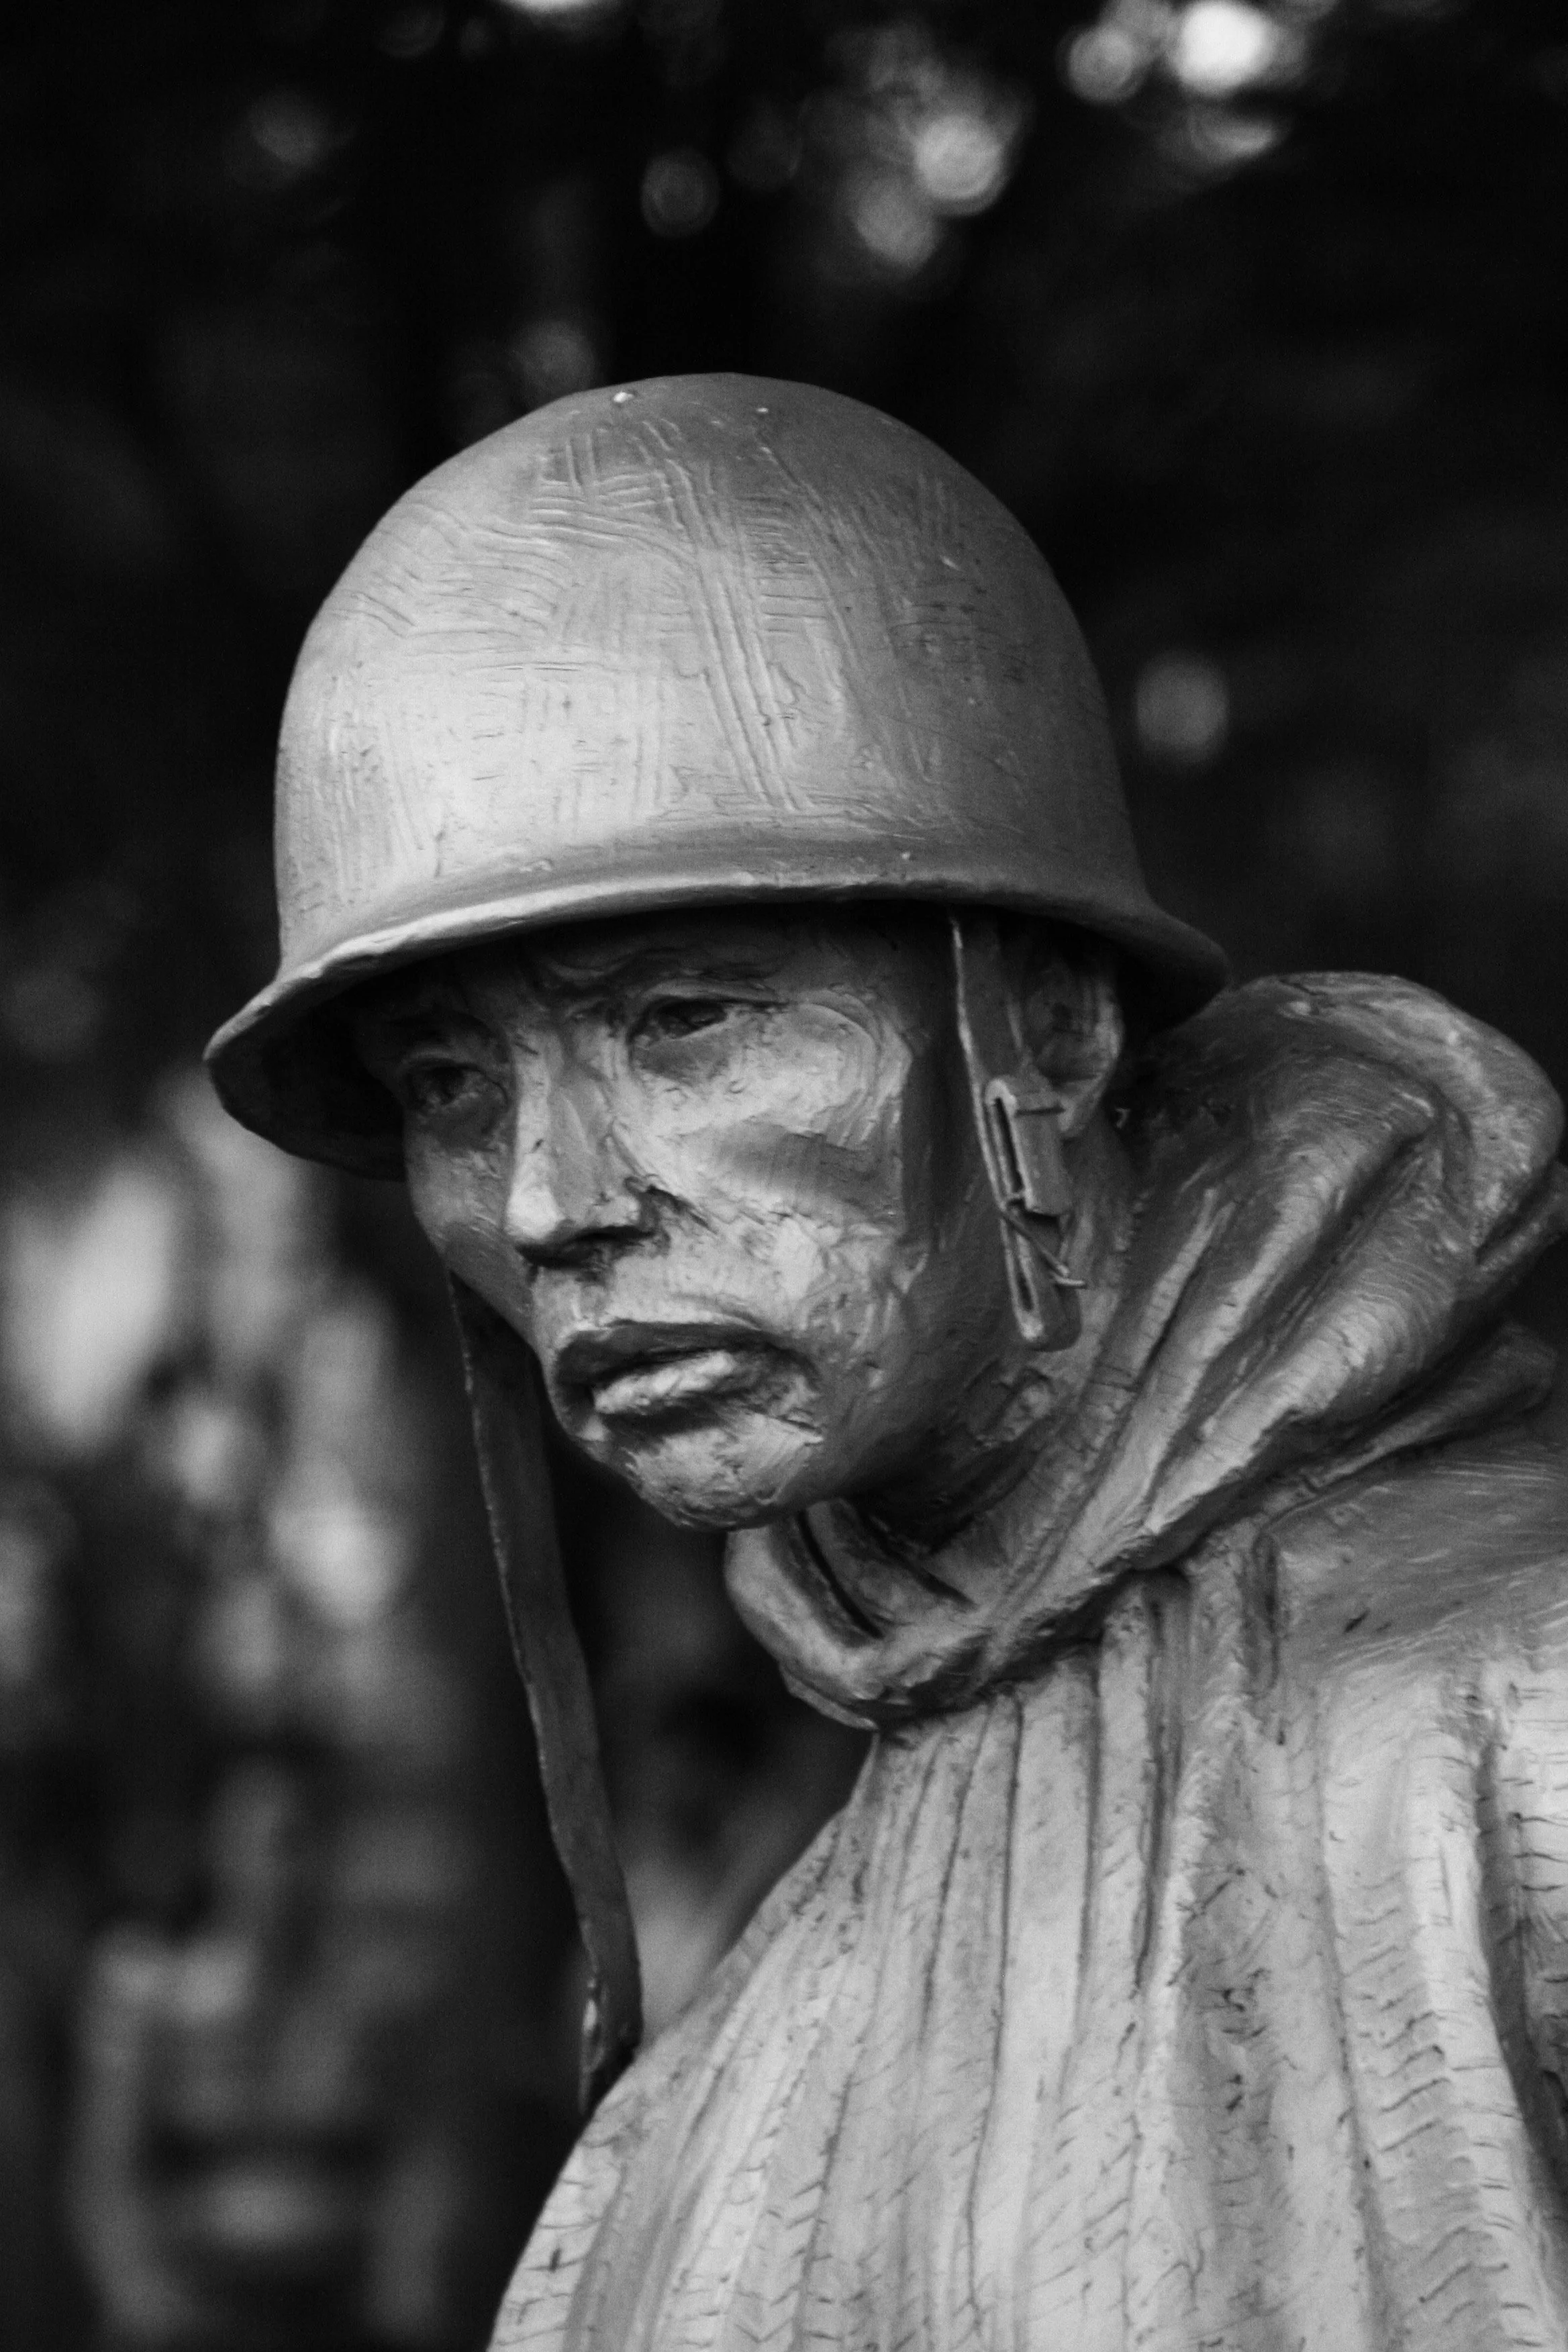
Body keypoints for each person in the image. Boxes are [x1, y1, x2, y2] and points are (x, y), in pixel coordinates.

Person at [207, 375, 1568, 2351]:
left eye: (684, 1022)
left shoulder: (1521, 1727)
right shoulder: (677, 2135)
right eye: (448, 1084)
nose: (545, 1196)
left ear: (1052, 1027)